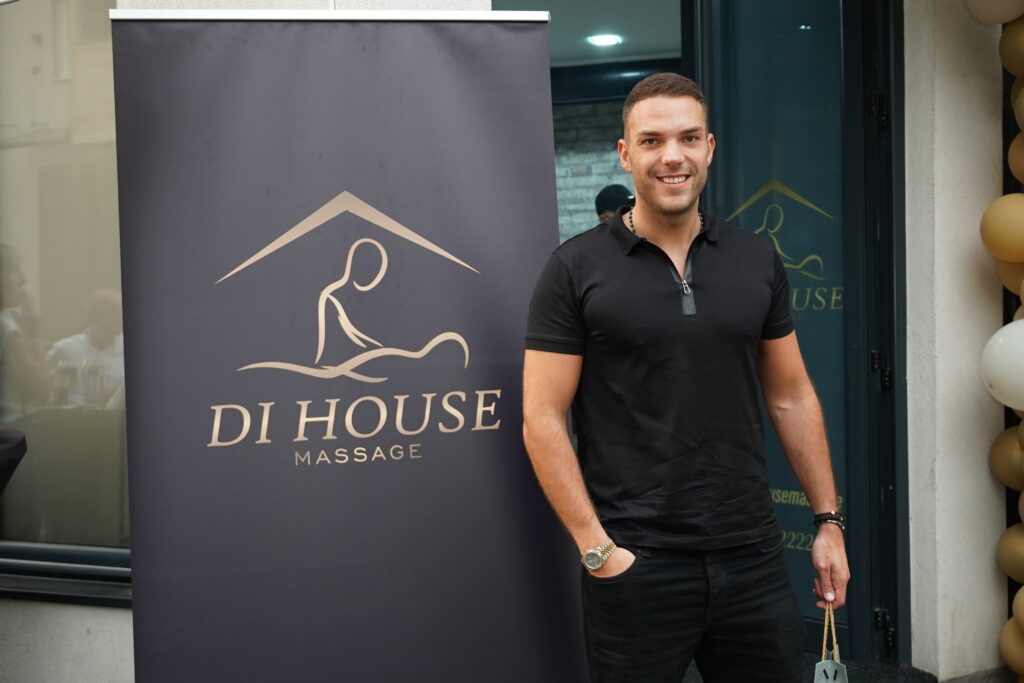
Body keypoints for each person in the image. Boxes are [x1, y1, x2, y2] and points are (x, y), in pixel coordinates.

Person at [522, 73, 849, 682]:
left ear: (709, 147)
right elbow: (541, 416)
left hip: (752, 555)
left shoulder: (756, 257)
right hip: (636, 562)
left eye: (688, 138)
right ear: (626, 153)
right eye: (652, 141)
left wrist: (828, 522)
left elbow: (791, 395)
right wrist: (598, 551)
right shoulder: (574, 269)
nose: (672, 156)